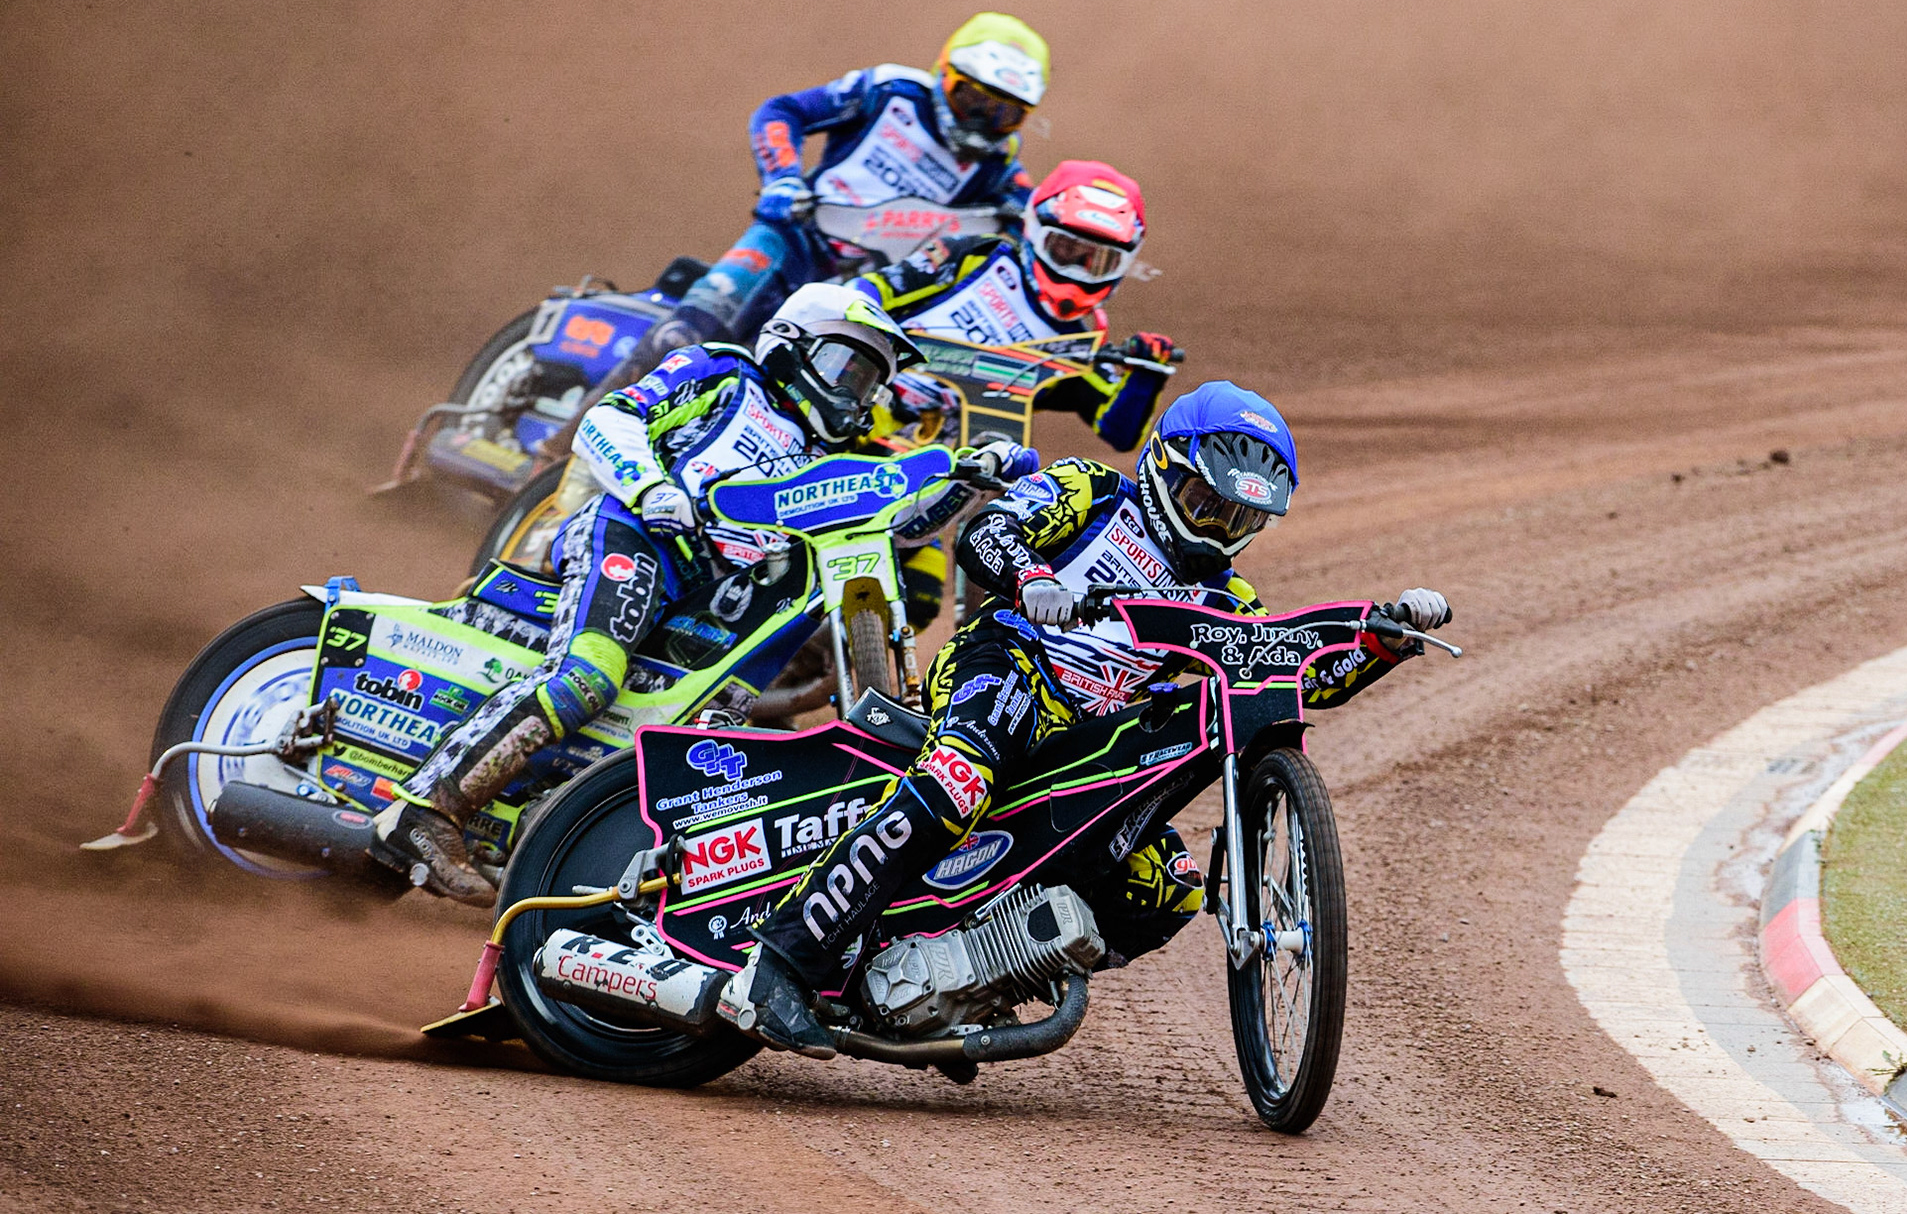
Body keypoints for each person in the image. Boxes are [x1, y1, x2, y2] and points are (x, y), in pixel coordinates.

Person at [719, 381, 1453, 1056]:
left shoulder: (1228, 597)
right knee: (958, 782)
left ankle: (970, 977)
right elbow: (988, 532)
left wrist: (1383, 642)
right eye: (1206, 503)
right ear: (1165, 468)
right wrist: (1034, 576)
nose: (1218, 528)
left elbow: (1293, 675)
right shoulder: (1095, 493)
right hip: (1006, 665)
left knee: (1166, 891)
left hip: (1087, 740)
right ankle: (781, 960)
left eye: (1239, 517)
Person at [371, 285, 957, 904]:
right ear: (793, 344)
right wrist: (650, 487)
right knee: (588, 677)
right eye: (849, 368)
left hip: (706, 588)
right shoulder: (725, 373)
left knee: (701, 735)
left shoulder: (822, 457)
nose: (854, 394)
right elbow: (608, 420)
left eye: (869, 384)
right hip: (632, 534)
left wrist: (969, 480)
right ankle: (423, 813)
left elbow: (896, 530)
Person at [853, 159, 1180, 454]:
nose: (1077, 270)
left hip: (904, 466)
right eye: (1066, 249)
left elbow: (1118, 432)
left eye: (1097, 261)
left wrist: (1146, 375)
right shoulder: (977, 257)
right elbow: (872, 290)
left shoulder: (1080, 347)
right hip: (844, 398)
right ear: (1036, 230)